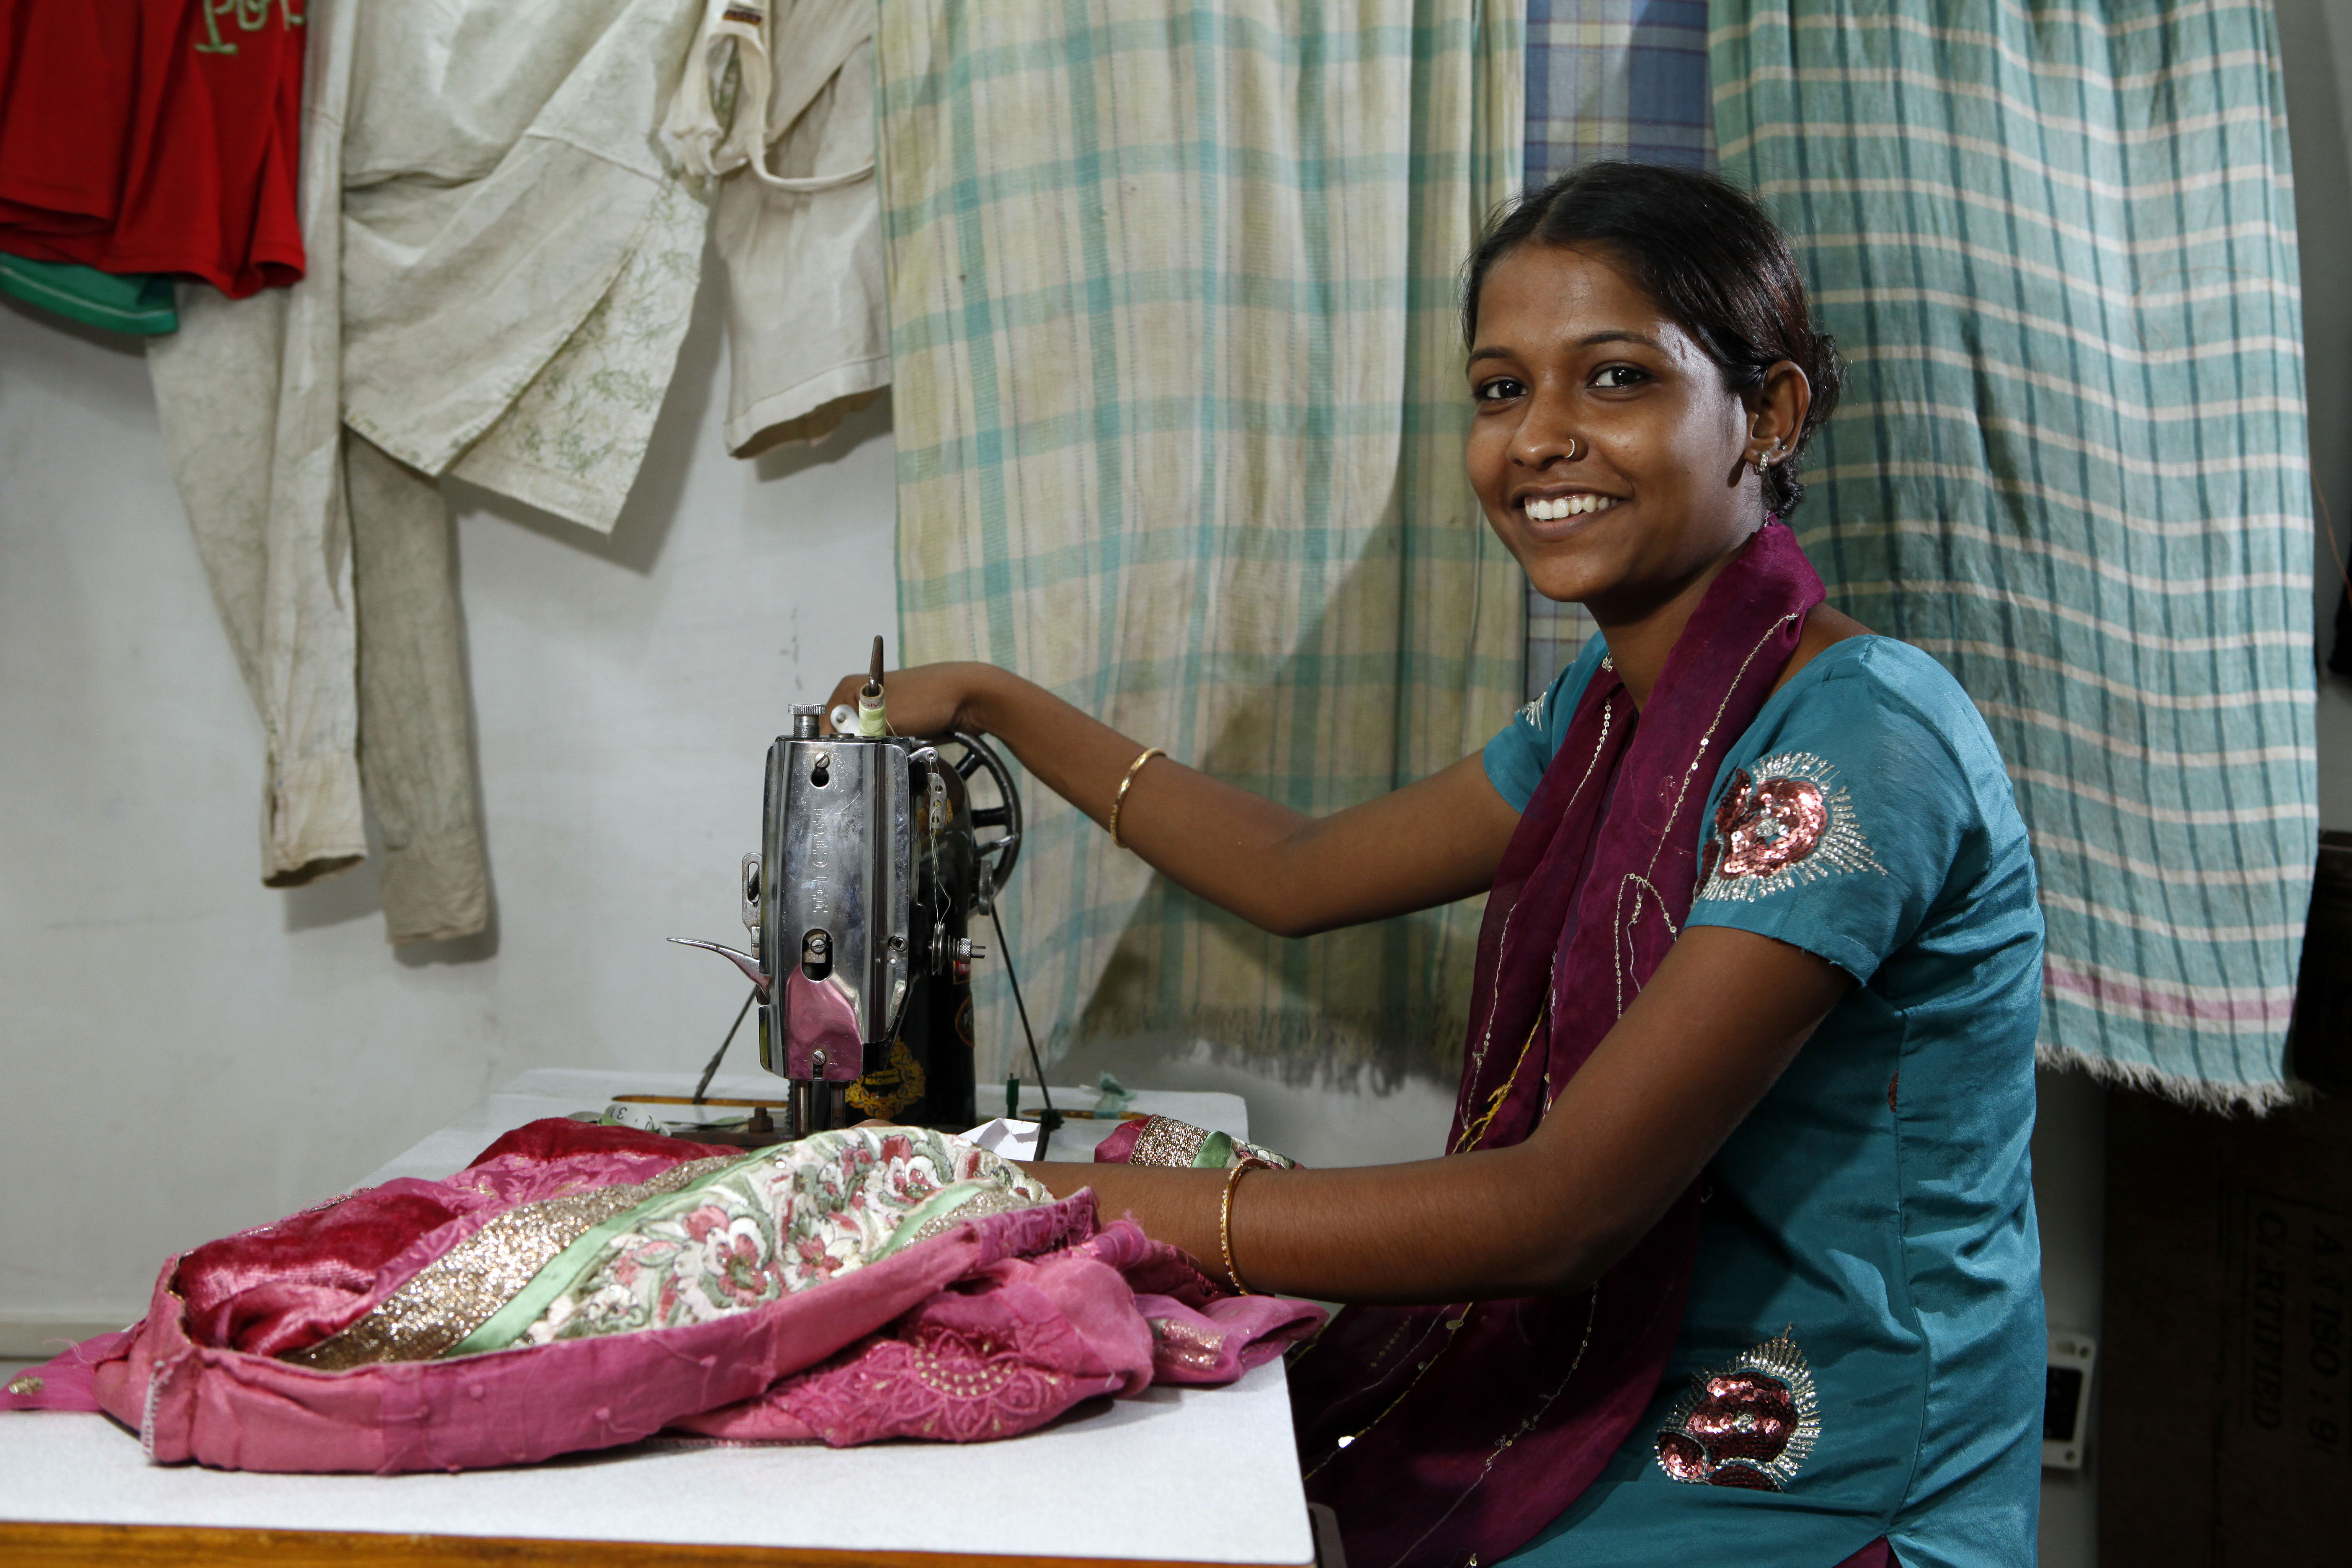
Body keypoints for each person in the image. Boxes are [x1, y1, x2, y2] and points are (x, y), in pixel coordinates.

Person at [829, 162, 2044, 1568]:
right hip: (1631, 1382)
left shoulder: (1857, 744)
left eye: (1615, 379)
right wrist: (997, 703)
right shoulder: (1610, 718)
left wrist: (1016, 1201)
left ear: (1766, 414)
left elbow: (1561, 1213)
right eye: (1499, 390)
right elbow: (1297, 873)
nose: (1541, 439)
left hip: (1822, 1479)